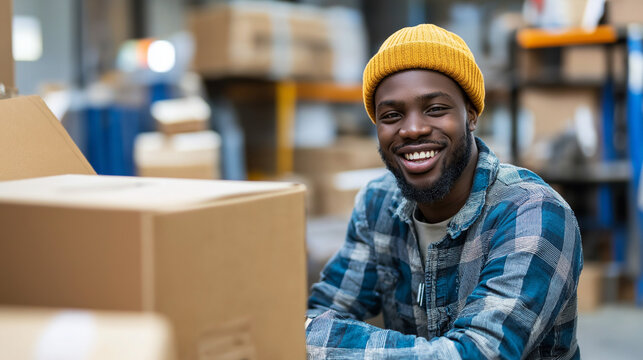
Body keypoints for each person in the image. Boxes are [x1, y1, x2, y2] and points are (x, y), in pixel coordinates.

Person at [305, 24, 583, 359]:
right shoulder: (377, 203)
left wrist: (318, 339)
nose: (413, 129)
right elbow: (322, 310)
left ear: (471, 114)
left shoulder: (533, 213)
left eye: (435, 108)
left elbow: (477, 354)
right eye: (392, 115)